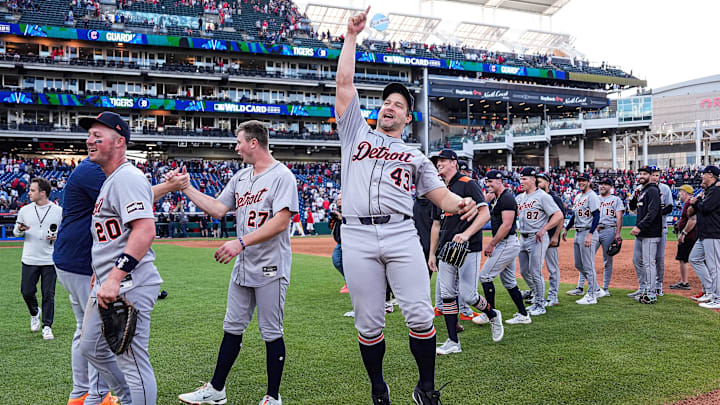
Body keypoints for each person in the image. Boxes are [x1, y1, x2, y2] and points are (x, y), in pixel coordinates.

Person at [336, 8, 478, 404]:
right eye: (386, 102)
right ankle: (379, 388)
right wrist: (351, 37)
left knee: (419, 314)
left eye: (398, 104)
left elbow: (442, 198)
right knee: (368, 323)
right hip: (358, 233)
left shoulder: (417, 157)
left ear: (407, 115)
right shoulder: (355, 134)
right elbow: (344, 84)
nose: (389, 106)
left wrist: (462, 201)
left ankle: (426, 388)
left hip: (400, 233)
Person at [177, 120, 298, 405]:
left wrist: (240, 242)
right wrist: (186, 188)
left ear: (253, 143)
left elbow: (281, 222)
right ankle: (216, 390)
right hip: (244, 265)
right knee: (232, 327)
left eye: (239, 141)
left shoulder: (282, 176)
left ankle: (272, 397)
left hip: (271, 266)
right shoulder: (242, 177)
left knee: (271, 332)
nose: (236, 147)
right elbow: (218, 209)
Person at [54, 153, 187, 405]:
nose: (91, 142)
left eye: (97, 136)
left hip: (85, 262)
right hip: (87, 263)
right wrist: (171, 186)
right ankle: (93, 395)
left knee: (89, 337)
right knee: (94, 339)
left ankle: (89, 394)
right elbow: (140, 198)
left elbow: (138, 200)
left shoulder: (109, 173)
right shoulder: (96, 172)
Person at [78, 111, 166, 405]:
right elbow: (111, 236)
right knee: (91, 346)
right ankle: (128, 397)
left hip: (129, 283)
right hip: (106, 282)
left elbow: (145, 230)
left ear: (119, 142)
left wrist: (115, 276)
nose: (89, 140)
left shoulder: (127, 177)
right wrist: (101, 273)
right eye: (89, 135)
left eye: (96, 136)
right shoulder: (111, 180)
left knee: (133, 362)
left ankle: (134, 397)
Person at [428, 149, 501, 356]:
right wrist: (432, 253)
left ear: (454, 162)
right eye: (437, 161)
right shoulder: (440, 190)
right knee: (448, 295)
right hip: (446, 249)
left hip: (468, 247)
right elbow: (435, 224)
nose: (439, 163)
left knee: (468, 295)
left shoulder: (468, 183)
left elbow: (484, 213)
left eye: (442, 160)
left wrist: (467, 234)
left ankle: (493, 314)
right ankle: (453, 341)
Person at [13, 177, 63, 340]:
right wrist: (20, 229)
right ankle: (35, 312)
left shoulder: (58, 211)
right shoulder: (24, 210)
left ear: (43, 193)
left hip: (49, 260)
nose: (29, 193)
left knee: (48, 294)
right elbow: (16, 232)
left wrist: (57, 237)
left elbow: (64, 234)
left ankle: (47, 326)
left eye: (32, 190)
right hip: (29, 258)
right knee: (26, 292)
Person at [478, 170, 529, 325]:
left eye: (490, 182)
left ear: (499, 181)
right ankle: (523, 315)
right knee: (509, 282)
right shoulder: (498, 197)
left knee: (485, 276)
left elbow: (507, 225)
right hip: (507, 243)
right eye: (486, 182)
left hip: (506, 243)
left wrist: (492, 244)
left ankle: (490, 314)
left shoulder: (506, 198)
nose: (488, 185)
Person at [515, 167, 563, 316]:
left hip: (538, 238)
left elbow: (558, 215)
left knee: (536, 271)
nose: (521, 181)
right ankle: (536, 297)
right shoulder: (520, 198)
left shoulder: (543, 196)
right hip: (523, 237)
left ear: (533, 180)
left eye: (524, 179)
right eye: (520, 178)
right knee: (524, 271)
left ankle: (540, 304)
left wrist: (545, 229)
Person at [561, 173, 603, 305]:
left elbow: (596, 215)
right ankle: (596, 288)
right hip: (578, 232)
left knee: (588, 265)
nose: (581, 183)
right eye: (579, 180)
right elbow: (574, 215)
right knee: (579, 264)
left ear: (589, 182)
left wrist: (591, 234)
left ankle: (591, 295)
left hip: (587, 231)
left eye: (583, 180)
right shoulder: (578, 196)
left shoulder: (592, 196)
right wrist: (567, 229)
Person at [629, 166, 662, 304]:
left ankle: (651, 292)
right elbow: (632, 208)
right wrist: (634, 197)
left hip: (650, 233)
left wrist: (639, 226)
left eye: (645, 174)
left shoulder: (653, 190)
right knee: (637, 260)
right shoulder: (642, 191)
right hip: (642, 233)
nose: (641, 176)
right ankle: (643, 288)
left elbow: (653, 212)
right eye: (640, 173)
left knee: (648, 263)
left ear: (650, 175)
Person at [688, 166, 720, 308]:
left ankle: (718, 298)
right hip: (704, 233)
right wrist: (697, 202)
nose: (702, 177)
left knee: (714, 267)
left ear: (711, 175)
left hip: (713, 232)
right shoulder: (708, 191)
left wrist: (697, 202)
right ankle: (710, 291)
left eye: (704, 174)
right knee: (694, 258)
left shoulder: (716, 190)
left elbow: (706, 208)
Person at [536, 172, 565, 306]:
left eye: (540, 181)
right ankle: (536, 294)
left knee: (552, 268)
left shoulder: (554, 198)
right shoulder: (535, 197)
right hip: (538, 238)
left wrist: (555, 236)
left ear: (547, 183)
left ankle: (553, 296)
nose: (537, 184)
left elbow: (561, 218)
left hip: (550, 236)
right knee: (535, 268)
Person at [651, 167, 673, 295]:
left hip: (661, 228)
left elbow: (669, 207)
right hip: (647, 229)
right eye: (652, 175)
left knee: (659, 258)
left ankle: (658, 285)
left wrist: (656, 213)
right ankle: (647, 285)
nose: (655, 177)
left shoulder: (665, 188)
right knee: (645, 259)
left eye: (657, 175)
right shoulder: (643, 188)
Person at [670, 184, 696, 291]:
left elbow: (693, 220)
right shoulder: (688, 203)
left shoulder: (689, 203)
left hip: (689, 236)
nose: (679, 194)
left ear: (686, 193)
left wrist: (683, 233)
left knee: (683, 259)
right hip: (691, 235)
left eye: (680, 191)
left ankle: (684, 282)